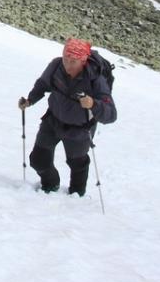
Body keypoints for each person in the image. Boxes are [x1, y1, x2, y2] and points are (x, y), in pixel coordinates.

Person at [18, 38, 117, 196]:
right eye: (65, 59)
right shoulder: (56, 66)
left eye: (73, 61)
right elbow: (43, 84)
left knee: (77, 164)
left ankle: (77, 196)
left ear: (83, 60)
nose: (67, 65)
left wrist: (93, 104)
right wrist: (30, 101)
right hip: (53, 121)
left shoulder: (95, 79)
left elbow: (111, 114)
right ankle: (50, 184)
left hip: (80, 129)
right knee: (38, 160)